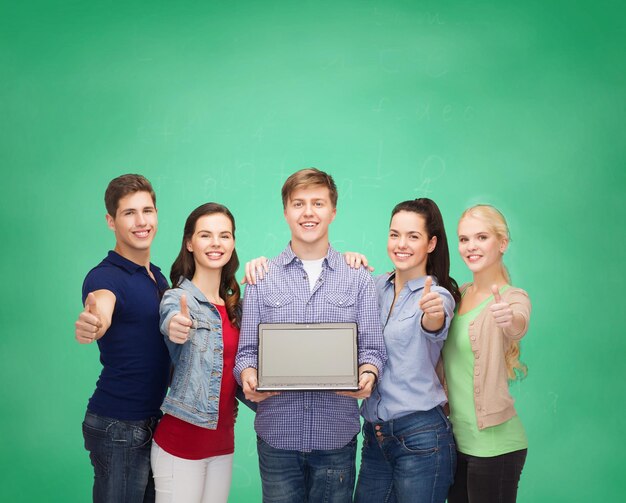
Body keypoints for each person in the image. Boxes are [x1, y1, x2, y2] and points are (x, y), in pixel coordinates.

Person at [233, 168, 387, 503]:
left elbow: (373, 349)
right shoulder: (262, 277)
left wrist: (367, 373)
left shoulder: (357, 277)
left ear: (333, 211)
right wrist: (247, 376)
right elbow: (246, 353)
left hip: (336, 436)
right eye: (299, 203)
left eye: (318, 203)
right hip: (277, 437)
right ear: (285, 211)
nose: (308, 212)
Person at [342, 198, 459, 502]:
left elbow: (434, 322)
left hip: (422, 437)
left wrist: (433, 314)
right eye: (394, 234)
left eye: (413, 236)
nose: (401, 244)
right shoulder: (374, 286)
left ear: (431, 243)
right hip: (375, 437)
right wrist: (347, 263)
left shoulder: (439, 296)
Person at [74, 174, 170, 503]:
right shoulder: (105, 276)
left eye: (148, 210)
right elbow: (101, 309)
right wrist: (93, 323)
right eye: (129, 213)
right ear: (111, 221)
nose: (141, 221)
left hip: (152, 421)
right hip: (120, 425)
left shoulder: (156, 275)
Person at [151, 203, 242, 503]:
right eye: (206, 235)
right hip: (181, 445)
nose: (216, 243)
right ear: (190, 243)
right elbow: (170, 320)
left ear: (232, 243)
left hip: (222, 446)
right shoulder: (178, 298)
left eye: (224, 235)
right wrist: (176, 326)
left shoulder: (234, 308)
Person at [444, 204, 531, 503]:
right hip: (458, 443)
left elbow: (518, 322)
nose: (470, 247)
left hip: (496, 447)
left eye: (481, 237)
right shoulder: (460, 294)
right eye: (464, 239)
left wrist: (511, 319)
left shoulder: (512, 297)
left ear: (502, 243)